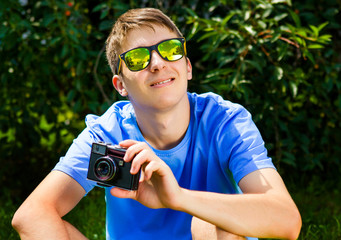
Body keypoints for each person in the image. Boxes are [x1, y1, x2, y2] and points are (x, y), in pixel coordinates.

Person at [12, 7, 301, 240]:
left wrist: (176, 197)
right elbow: (31, 216)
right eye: (137, 58)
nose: (158, 63)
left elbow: (286, 221)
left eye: (171, 49)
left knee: (213, 224)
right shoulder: (108, 134)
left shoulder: (226, 121)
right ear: (120, 85)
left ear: (187, 66)